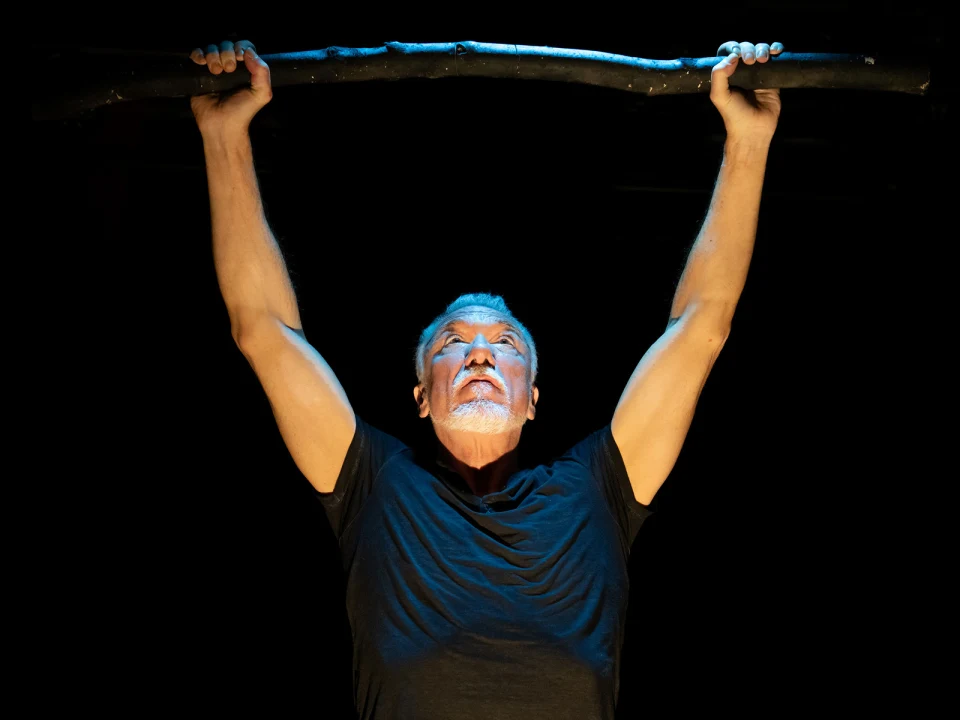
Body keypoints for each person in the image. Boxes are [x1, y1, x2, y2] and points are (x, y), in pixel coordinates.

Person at [190, 37, 784, 720]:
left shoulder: (596, 489)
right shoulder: (377, 485)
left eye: (504, 344)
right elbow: (262, 330)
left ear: (533, 396)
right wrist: (223, 135)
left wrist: (748, 139)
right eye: (452, 343)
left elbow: (701, 328)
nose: (478, 354)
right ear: (420, 394)